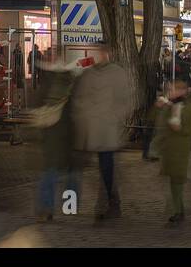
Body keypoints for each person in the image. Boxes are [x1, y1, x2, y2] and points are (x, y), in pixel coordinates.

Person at [70, 45, 134, 220]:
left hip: (107, 130)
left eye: (100, 53)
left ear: (107, 54)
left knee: (107, 169)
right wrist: (82, 115)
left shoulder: (117, 73)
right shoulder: (88, 74)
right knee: (93, 169)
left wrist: (114, 116)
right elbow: (79, 99)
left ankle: (109, 204)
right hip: (90, 130)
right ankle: (106, 203)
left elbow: (127, 100)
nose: (97, 56)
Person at [30, 59, 81, 221]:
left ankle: (46, 208)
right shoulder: (73, 84)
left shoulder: (47, 84)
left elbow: (36, 106)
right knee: (72, 174)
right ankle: (70, 207)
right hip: (71, 135)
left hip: (51, 135)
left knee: (49, 173)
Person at [155, 79, 191, 226]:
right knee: (174, 181)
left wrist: (180, 129)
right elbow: (156, 122)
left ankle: (178, 211)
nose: (170, 93)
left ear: (182, 91)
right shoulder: (168, 106)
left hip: (180, 149)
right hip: (168, 149)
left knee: (177, 181)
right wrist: (158, 107)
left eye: (172, 90)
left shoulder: (188, 108)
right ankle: (178, 210)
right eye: (169, 90)